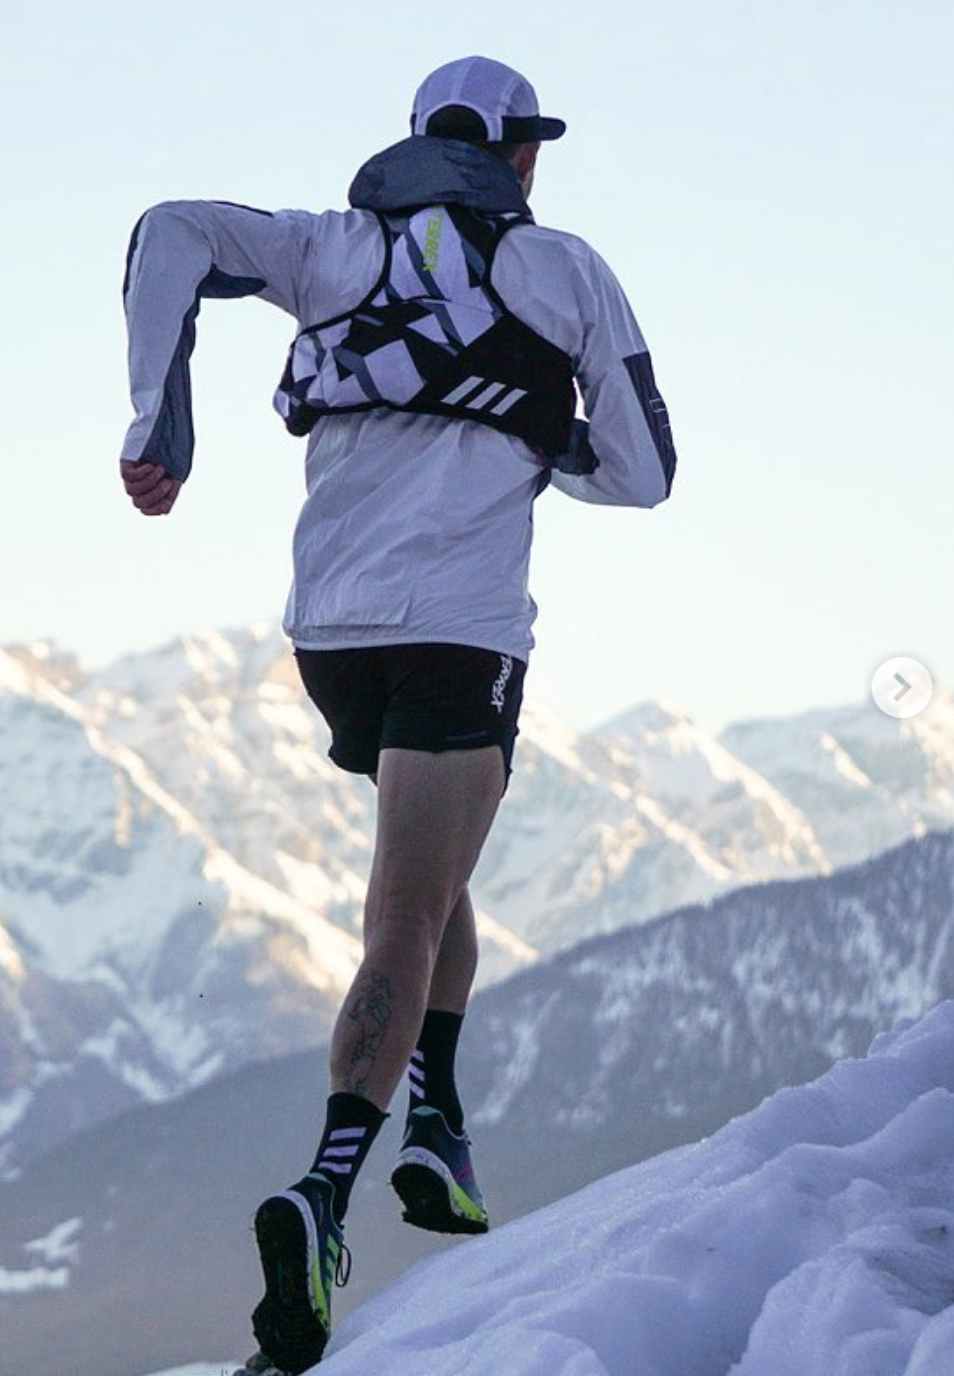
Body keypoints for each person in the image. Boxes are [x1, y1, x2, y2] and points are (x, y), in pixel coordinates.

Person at [118, 55, 676, 1375]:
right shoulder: (567, 272)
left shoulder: (333, 250)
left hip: (332, 639)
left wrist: (161, 412)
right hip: (460, 635)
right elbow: (649, 473)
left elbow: (168, 232)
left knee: (428, 876)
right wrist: (542, 429)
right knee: (408, 917)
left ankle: (441, 1121)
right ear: (519, 155)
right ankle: (323, 1195)